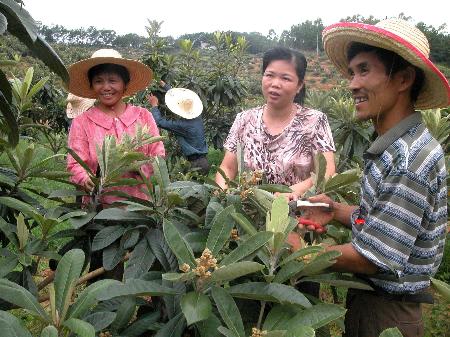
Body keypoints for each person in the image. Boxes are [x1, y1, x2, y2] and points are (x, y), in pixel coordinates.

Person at [298, 19, 449, 337]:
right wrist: (337, 212)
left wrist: (296, 251)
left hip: (387, 314)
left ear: (403, 79)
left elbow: (373, 258)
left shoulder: (409, 160)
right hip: (374, 303)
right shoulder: (395, 147)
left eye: (364, 70)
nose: (352, 84)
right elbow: (384, 225)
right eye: (352, 72)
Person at [216, 47, 336, 197]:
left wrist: (289, 194)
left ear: (299, 85)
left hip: (296, 215)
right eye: (269, 75)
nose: (275, 84)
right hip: (247, 213)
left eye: (285, 78)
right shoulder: (244, 119)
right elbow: (228, 168)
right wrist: (222, 196)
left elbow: (327, 173)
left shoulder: (314, 121)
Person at [67, 49, 165, 205]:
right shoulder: (82, 122)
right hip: (98, 210)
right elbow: (75, 163)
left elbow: (157, 153)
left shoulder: (143, 116)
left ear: (125, 84)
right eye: (99, 81)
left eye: (113, 80)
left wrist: (139, 166)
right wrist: (84, 178)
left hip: (139, 207)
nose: (106, 87)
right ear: (92, 85)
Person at [147, 83, 209, 175]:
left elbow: (159, 121)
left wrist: (154, 105)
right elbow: (179, 98)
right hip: (203, 162)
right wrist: (164, 85)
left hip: (196, 164)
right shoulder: (197, 117)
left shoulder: (183, 125)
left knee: (193, 188)